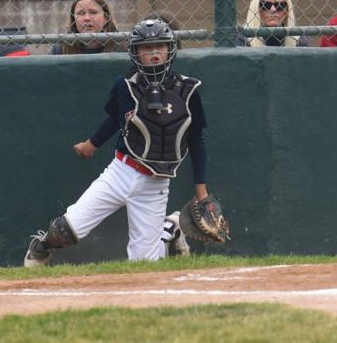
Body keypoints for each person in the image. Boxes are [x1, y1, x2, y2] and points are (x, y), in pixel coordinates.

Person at [24, 19, 213, 266]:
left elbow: (196, 139)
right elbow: (115, 117)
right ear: (135, 53)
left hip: (155, 182)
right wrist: (92, 144)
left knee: (144, 264)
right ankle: (41, 247)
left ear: (171, 48)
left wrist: (202, 193)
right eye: (146, 48)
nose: (154, 54)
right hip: (121, 171)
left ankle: (168, 231)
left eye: (160, 46)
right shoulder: (125, 86)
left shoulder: (187, 90)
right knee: (66, 230)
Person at [239, 0, 308, 47]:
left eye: (280, 5)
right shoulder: (241, 39)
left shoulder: (299, 40)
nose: (273, 10)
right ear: (256, 8)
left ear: (287, 10)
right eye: (266, 5)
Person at [52, 0, 126, 54]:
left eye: (93, 12)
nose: (87, 18)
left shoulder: (122, 49)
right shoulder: (61, 49)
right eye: (81, 13)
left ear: (106, 18)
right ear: (74, 18)